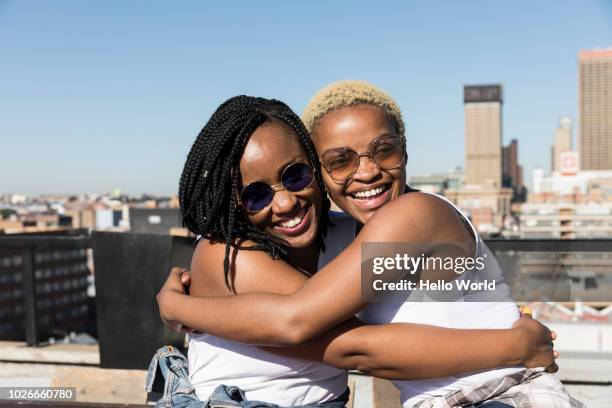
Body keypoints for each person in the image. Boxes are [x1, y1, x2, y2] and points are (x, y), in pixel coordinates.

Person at [157, 92, 562, 408]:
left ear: (314, 171)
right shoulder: (226, 256)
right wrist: (516, 345)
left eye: (295, 175)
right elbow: (351, 345)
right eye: (256, 195)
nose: (285, 203)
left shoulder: (352, 234)